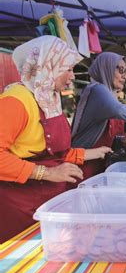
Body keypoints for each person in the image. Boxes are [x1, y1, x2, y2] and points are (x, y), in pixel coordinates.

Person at [0, 36, 111, 242]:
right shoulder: (16, 100)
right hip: (19, 204)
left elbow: (54, 152)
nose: (72, 77)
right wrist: (47, 173)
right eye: (67, 69)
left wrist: (93, 153)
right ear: (47, 66)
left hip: (49, 200)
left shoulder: (48, 98)